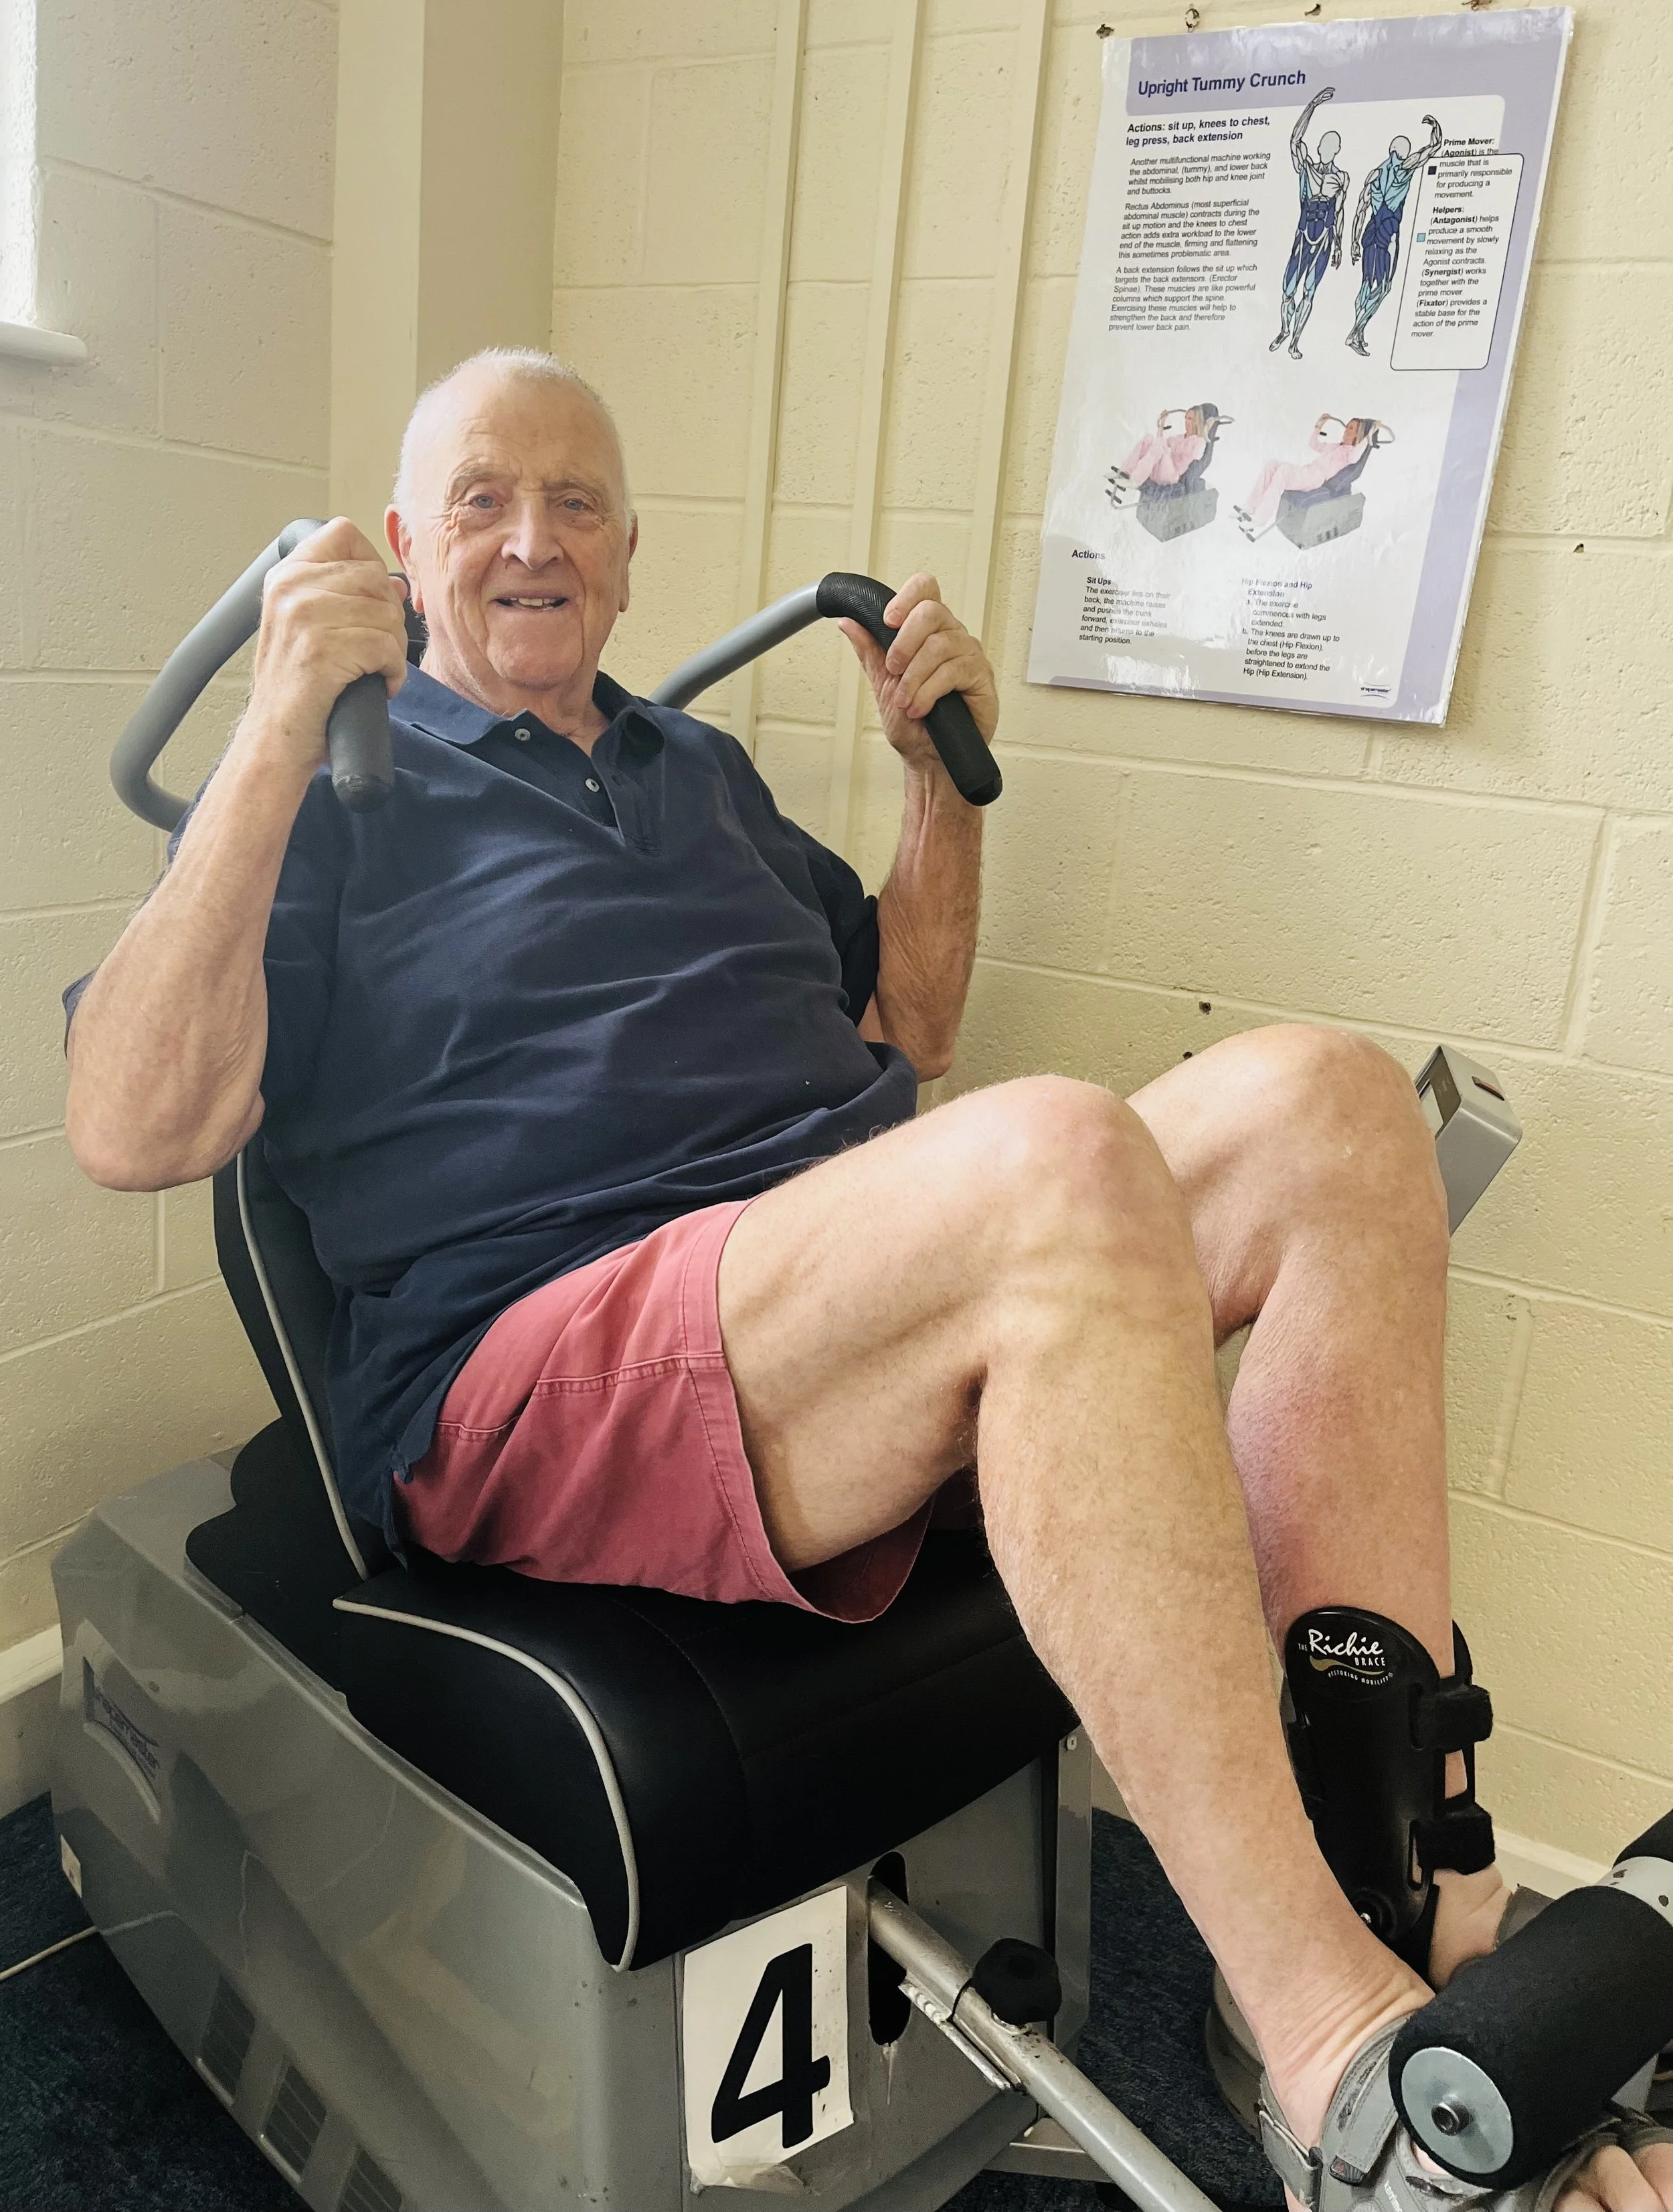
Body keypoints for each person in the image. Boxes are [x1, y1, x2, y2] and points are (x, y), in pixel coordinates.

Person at [61, 350, 1672, 2212]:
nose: (532, 540)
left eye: (576, 503)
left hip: (802, 1296)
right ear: (407, 546)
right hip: (542, 1347)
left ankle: (1424, 1928)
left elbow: (906, 1021)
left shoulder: (699, 774)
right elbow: (131, 1125)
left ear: (632, 553)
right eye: (482, 501)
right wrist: (275, 723)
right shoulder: (329, 787)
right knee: (1054, 1159)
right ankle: (1345, 2082)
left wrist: (936, 789)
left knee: (1331, 1108)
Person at [1348, 117, 1445, 355]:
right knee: (1384, 286)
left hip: (1370, 230)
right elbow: (1432, 148)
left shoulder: (1374, 175)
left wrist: (1353, 242)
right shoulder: (1404, 169)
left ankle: (1359, 334)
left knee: (1366, 282)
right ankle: (1356, 331)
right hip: (1389, 231)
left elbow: (1360, 210)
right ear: (1403, 153)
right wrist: (1435, 128)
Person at [1271, 86, 1348, 361]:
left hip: (1324, 239)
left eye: (1331, 147)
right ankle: (1284, 329)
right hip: (1303, 236)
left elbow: (1340, 212)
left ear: (1337, 150)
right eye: (1323, 146)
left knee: (1309, 292)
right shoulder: (1307, 169)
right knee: (1288, 290)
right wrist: (1313, 105)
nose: (1326, 150)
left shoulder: (1342, 178)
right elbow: (1294, 140)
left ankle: (1295, 341)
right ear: (1318, 148)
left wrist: (1339, 245)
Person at [1236, 415, 1387, 539]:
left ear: (1357, 434)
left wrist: (1369, 436)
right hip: (1308, 470)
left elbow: (1355, 458)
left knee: (1283, 472)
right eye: (1347, 427)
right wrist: (1319, 426)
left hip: (1316, 478)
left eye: (1352, 429)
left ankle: (1261, 518)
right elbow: (1313, 444)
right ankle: (1250, 507)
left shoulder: (1350, 452)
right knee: (1272, 465)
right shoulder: (1335, 446)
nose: (1347, 430)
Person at [1107, 403, 1225, 508]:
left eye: (1190, 419)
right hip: (1161, 471)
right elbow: (1160, 442)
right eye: (1185, 418)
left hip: (1172, 476)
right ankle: (1127, 471)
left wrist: (1207, 427)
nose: (1186, 422)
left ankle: (1136, 480)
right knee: (1148, 439)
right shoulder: (1178, 439)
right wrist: (1162, 424)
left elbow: (1197, 452)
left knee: (1161, 446)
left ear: (1197, 422)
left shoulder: (1198, 441)